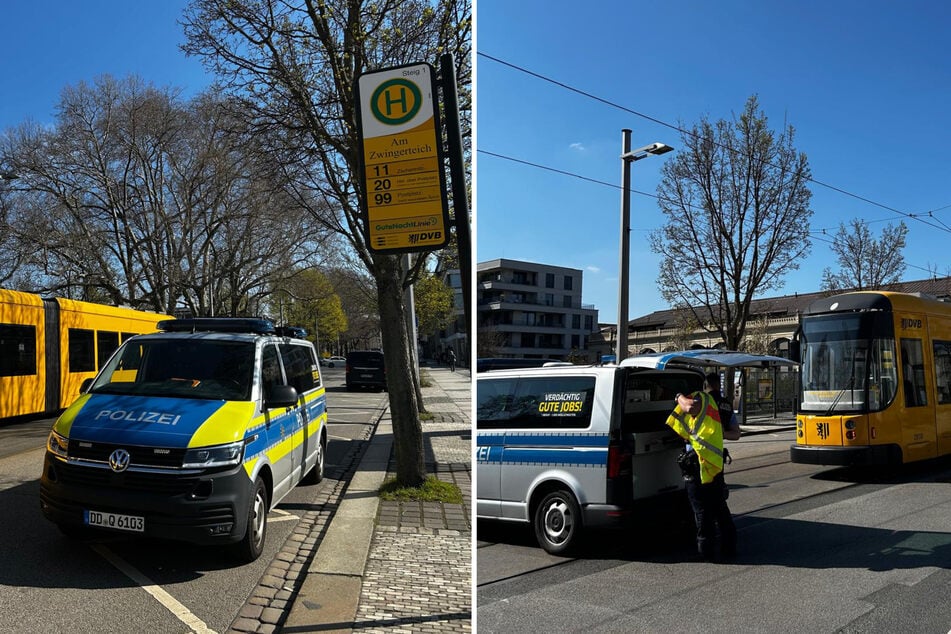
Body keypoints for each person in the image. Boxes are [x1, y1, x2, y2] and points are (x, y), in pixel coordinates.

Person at [667, 371, 740, 561]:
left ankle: (706, 550)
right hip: (715, 463)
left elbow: (689, 407)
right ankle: (729, 546)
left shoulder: (702, 398)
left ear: (704, 385)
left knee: (701, 508)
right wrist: (717, 434)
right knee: (719, 506)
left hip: (698, 461)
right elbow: (735, 434)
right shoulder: (725, 405)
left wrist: (678, 397)